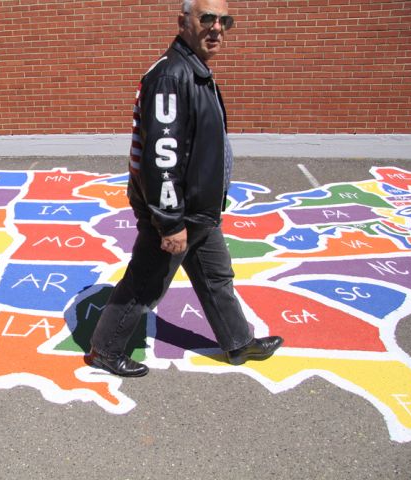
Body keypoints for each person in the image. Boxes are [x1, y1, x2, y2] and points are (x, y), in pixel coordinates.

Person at [88, 0, 283, 377]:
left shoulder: (195, 72)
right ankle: (105, 351)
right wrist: (170, 221)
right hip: (177, 211)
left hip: (199, 208)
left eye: (225, 21)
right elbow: (161, 157)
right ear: (183, 22)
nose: (217, 28)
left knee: (215, 277)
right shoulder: (171, 77)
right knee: (146, 281)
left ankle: (238, 342)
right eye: (207, 18)